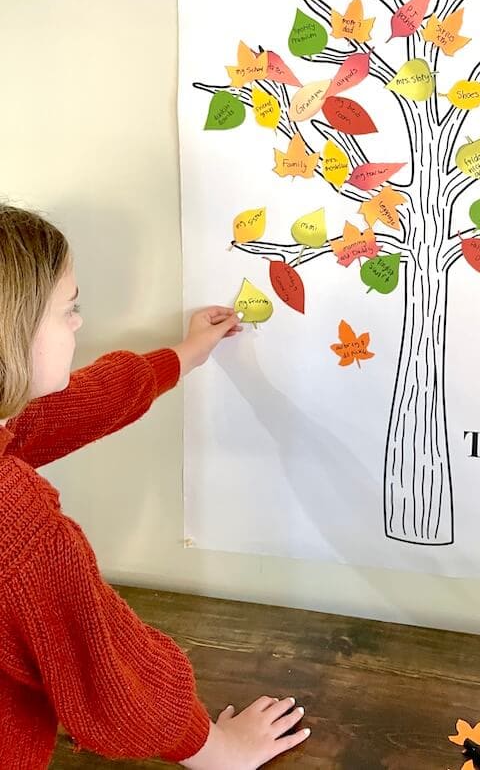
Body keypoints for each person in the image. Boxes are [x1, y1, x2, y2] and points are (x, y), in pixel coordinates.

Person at [0, 204, 310, 768]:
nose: (79, 324)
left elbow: (69, 409)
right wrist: (218, 751)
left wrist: (185, 355)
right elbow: (112, 682)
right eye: (69, 310)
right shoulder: (15, 525)